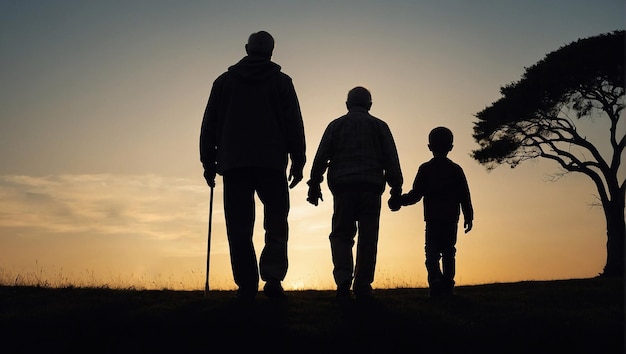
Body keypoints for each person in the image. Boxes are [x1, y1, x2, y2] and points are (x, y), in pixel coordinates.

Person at [199, 31, 306, 301]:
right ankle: (272, 279)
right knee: (276, 222)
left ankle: (246, 284)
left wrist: (207, 161)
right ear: (271, 51)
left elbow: (209, 125)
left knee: (238, 226)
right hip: (271, 163)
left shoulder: (223, 83)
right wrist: (298, 159)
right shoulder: (282, 83)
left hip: (234, 163)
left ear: (247, 48)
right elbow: (294, 123)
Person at [307, 86, 403, 301]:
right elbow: (391, 159)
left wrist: (314, 183)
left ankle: (343, 282)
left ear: (347, 104)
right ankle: (363, 285)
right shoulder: (380, 126)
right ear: (370, 105)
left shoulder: (336, 125)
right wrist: (396, 188)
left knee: (341, 235)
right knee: (368, 238)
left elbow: (321, 156)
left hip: (343, 188)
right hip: (371, 187)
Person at [394, 126, 473, 297]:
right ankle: (447, 286)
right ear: (451, 147)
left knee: (432, 253)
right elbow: (464, 195)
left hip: (433, 219)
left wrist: (400, 200)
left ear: (429, 147)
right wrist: (468, 215)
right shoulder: (456, 169)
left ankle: (436, 282)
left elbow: (416, 194)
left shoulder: (425, 169)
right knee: (449, 251)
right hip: (451, 218)